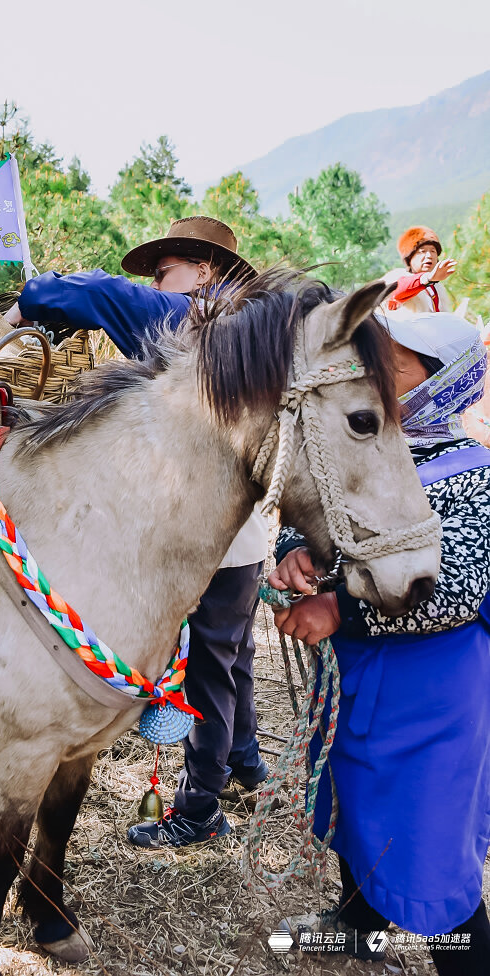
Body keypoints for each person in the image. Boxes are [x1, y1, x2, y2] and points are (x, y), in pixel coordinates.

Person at [6, 216, 270, 847]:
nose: (157, 281)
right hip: (243, 537)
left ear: (204, 270)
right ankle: (247, 763)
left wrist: (28, 303)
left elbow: (95, 293)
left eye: (165, 269)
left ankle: (200, 807)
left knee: (207, 667)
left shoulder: (185, 320)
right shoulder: (239, 336)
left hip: (206, 536)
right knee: (231, 656)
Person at [269, 310, 490, 972]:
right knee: (355, 804)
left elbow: (457, 591)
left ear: (443, 382)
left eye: (395, 365)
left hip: (432, 694)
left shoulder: (468, 468)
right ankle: (360, 926)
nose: (377, 373)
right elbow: (316, 521)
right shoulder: (359, 445)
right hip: (361, 677)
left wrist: (341, 613)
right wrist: (291, 554)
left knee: (429, 841)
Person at [383, 225, 456, 314]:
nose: (429, 256)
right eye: (422, 251)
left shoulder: (437, 286)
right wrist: (426, 278)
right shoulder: (397, 276)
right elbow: (398, 290)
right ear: (409, 257)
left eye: (433, 251)